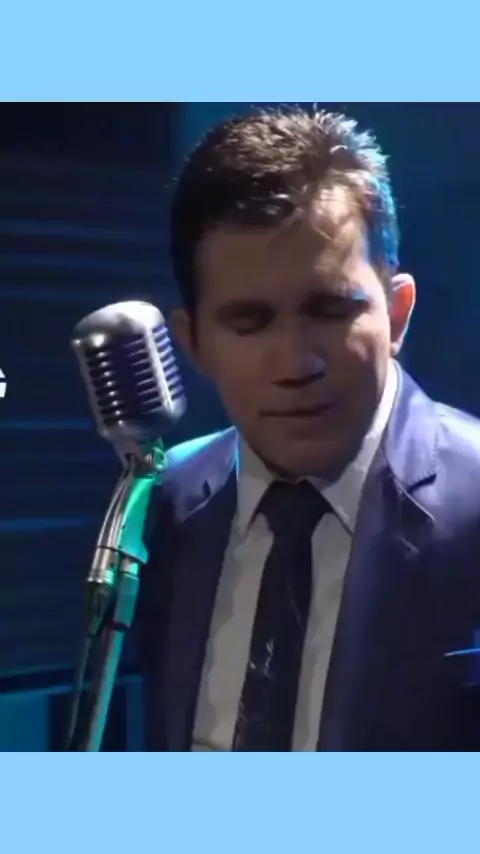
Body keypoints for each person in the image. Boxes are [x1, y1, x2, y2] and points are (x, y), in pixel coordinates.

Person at [136, 105, 480, 751]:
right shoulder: (164, 500)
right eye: (249, 322)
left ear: (397, 313)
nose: (296, 364)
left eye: (330, 309)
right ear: (193, 342)